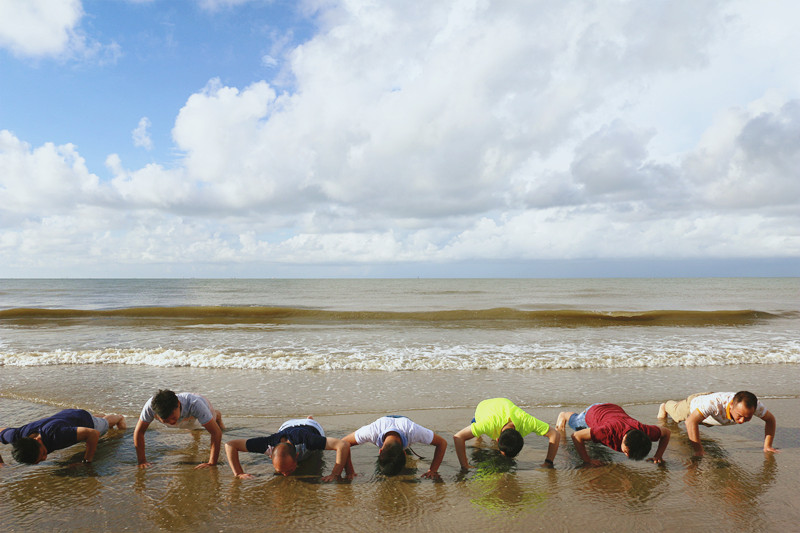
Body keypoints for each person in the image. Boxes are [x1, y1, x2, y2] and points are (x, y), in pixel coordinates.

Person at [225, 416, 350, 482]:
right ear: (270, 456)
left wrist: (335, 473)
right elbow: (230, 445)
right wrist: (239, 473)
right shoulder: (266, 444)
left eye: (289, 470)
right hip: (287, 425)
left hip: (311, 426)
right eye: (280, 471)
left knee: (317, 455)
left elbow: (342, 445)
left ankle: (309, 418)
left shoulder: (309, 441)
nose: (285, 475)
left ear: (296, 456)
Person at [657, 391, 778, 457]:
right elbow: (690, 421)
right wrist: (698, 450)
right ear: (731, 406)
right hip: (693, 406)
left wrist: (767, 446)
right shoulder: (713, 404)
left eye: (747, 417)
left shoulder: (754, 406)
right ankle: (665, 406)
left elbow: (770, 420)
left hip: (711, 416)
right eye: (739, 416)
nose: (741, 421)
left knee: (703, 423)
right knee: (676, 414)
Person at [453, 398, 560, 470]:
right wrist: (464, 465)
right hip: (484, 407)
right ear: (498, 439)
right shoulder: (487, 424)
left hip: (504, 405)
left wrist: (548, 462)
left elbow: (555, 434)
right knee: (477, 437)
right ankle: (478, 436)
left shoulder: (527, 422)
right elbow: (458, 437)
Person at [133, 390, 225, 469]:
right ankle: (193, 430)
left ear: (178, 404)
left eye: (172, 418)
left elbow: (216, 432)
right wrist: (142, 461)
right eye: (166, 420)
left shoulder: (195, 404)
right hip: (186, 415)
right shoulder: (150, 407)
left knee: (207, 421)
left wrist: (212, 463)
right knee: (190, 426)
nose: (171, 422)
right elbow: (139, 432)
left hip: (202, 404)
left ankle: (218, 416)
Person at [556, 403, 670, 465]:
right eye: (626, 452)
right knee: (575, 424)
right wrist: (587, 460)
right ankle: (564, 415)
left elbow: (666, 433)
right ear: (624, 437)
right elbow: (576, 436)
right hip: (594, 412)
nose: (627, 456)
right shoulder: (607, 431)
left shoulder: (646, 431)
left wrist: (658, 455)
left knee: (594, 443)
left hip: (614, 410)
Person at [0, 408, 126, 465]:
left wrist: (87, 461)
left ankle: (118, 417)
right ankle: (95, 416)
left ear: (37, 440)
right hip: (65, 416)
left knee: (104, 424)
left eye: (43, 453)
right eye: (39, 460)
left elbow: (93, 434)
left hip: (82, 419)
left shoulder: (57, 435)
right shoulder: (15, 436)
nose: (45, 458)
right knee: (82, 425)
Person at [341, 415, 447, 478]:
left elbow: (442, 443)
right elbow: (343, 443)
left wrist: (433, 470)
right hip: (385, 421)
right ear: (379, 450)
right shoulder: (372, 431)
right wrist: (350, 471)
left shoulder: (413, 431)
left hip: (404, 422)